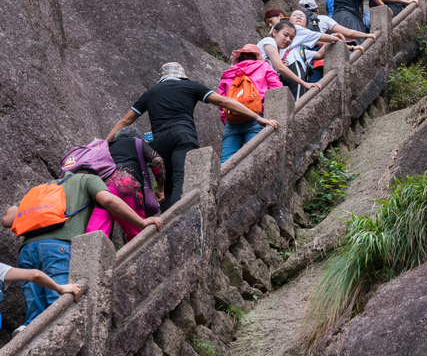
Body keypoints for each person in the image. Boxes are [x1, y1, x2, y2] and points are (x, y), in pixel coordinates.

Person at [2, 170, 162, 330]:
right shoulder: (87, 179)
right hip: (58, 247)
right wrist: (141, 222)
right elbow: (108, 200)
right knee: (59, 310)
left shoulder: (42, 187)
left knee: (35, 315)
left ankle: (28, 332)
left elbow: (7, 219)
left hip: (26, 250)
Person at [107, 62, 279, 210]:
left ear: (162, 77)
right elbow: (225, 101)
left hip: (159, 143)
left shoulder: (150, 92)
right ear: (182, 76)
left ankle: (165, 222)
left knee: (166, 185)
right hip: (183, 137)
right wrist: (257, 117)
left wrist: (104, 143)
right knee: (181, 181)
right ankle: (177, 223)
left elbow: (125, 120)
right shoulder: (191, 86)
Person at [85, 127, 166, 241]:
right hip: (126, 184)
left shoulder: (105, 147)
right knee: (139, 236)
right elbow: (157, 161)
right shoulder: (135, 141)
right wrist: (160, 189)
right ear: (134, 137)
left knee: (94, 237)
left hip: (103, 189)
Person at [216, 46, 284, 162]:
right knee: (254, 156)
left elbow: (221, 102)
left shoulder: (228, 73)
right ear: (256, 56)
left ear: (239, 58)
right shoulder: (263, 66)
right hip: (256, 116)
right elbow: (277, 89)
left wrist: (226, 119)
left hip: (232, 120)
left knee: (227, 159)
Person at [0, 263, 82, 336]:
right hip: (53, 250)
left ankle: (29, 326)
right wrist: (60, 288)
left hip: (25, 252)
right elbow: (35, 275)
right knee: (60, 314)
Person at [257, 20, 320, 98]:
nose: (288, 40)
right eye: (285, 35)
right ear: (274, 32)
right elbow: (280, 68)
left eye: (291, 38)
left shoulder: (280, 54)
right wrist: (304, 83)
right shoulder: (269, 41)